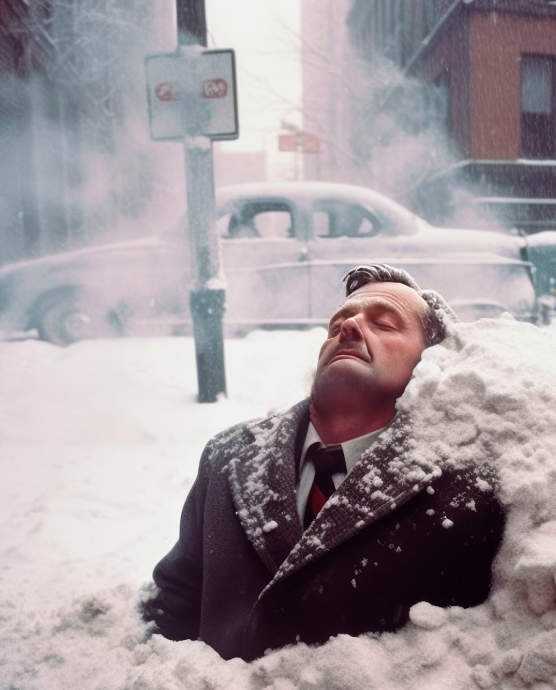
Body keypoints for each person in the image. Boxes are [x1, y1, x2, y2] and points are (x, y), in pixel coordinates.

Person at [142, 264, 506, 662]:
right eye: (337, 325)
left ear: (432, 365)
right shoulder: (227, 455)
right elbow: (173, 598)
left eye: (384, 325)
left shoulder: (465, 489)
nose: (349, 329)